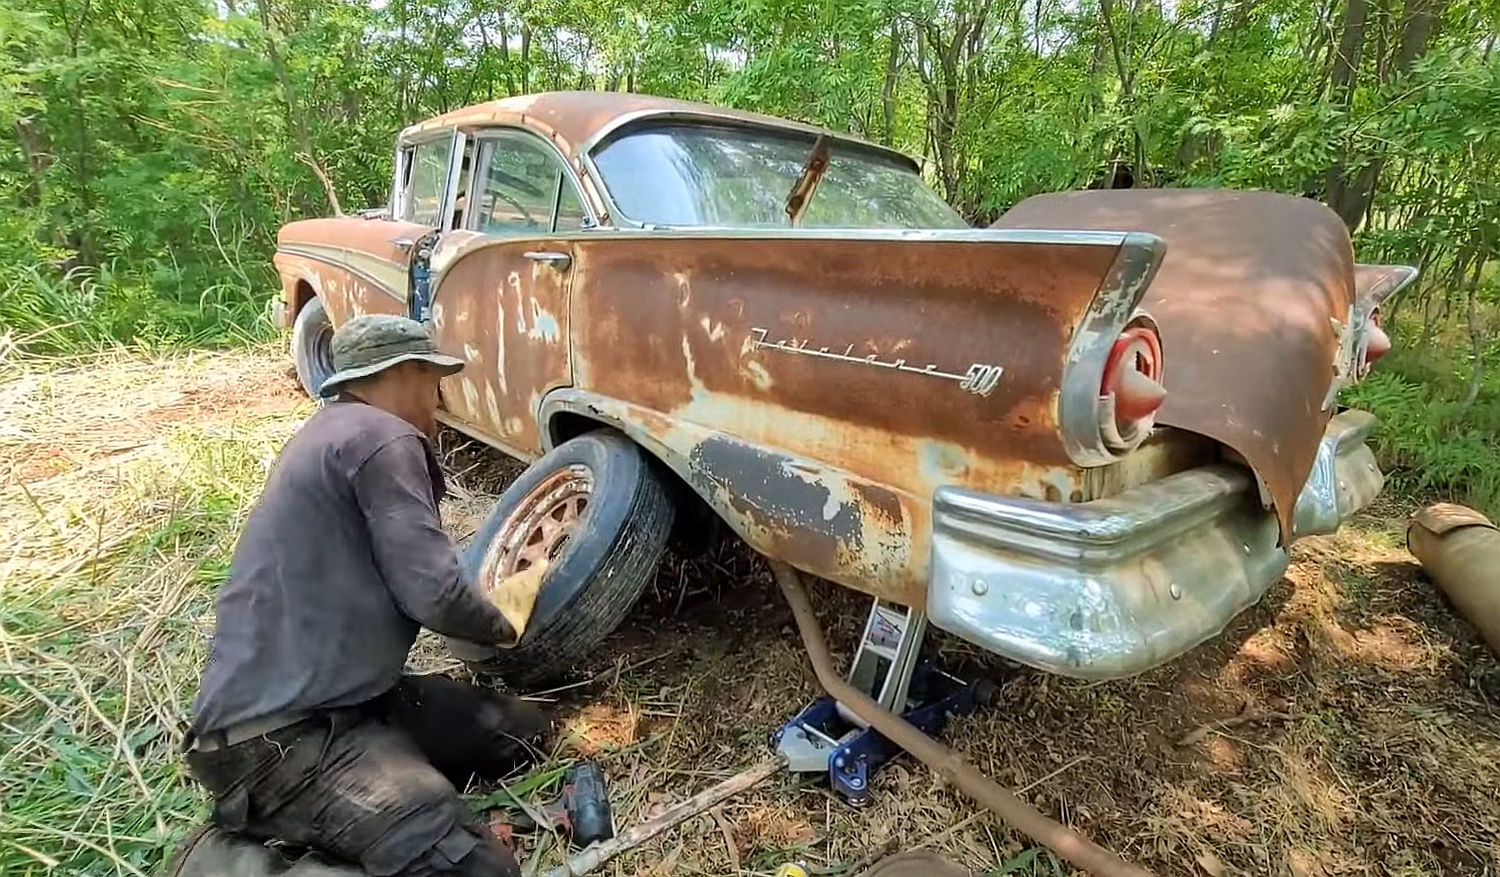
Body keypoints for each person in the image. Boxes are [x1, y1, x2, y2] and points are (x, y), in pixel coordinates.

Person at [183, 314, 549, 877]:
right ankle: (232, 863)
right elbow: (435, 596)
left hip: (355, 702)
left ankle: (347, 818)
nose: (439, 395)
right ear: (404, 373)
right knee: (478, 870)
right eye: (433, 378)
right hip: (284, 742)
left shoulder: (329, 432)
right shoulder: (384, 437)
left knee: (519, 734)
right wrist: (504, 622)